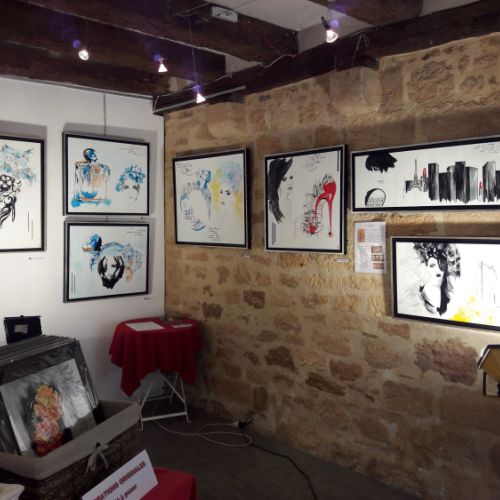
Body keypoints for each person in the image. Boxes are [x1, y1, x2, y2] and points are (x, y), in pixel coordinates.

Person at [413, 242, 461, 315]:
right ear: (426, 267)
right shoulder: (420, 298)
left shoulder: (449, 293)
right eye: (432, 265)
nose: (438, 269)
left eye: (442, 263)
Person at [267, 157, 293, 223]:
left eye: (291, 177)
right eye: (284, 179)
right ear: (277, 182)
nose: (290, 182)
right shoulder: (274, 205)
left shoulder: (288, 202)